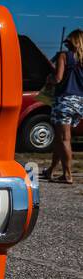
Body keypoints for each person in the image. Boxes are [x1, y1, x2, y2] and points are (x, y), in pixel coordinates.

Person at [46, 29, 83, 184]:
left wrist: (50, 79)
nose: (66, 45)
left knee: (64, 138)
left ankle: (67, 174)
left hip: (65, 100)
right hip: (80, 102)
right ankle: (51, 169)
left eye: (67, 42)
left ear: (72, 42)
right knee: (60, 138)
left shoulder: (64, 56)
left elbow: (58, 78)